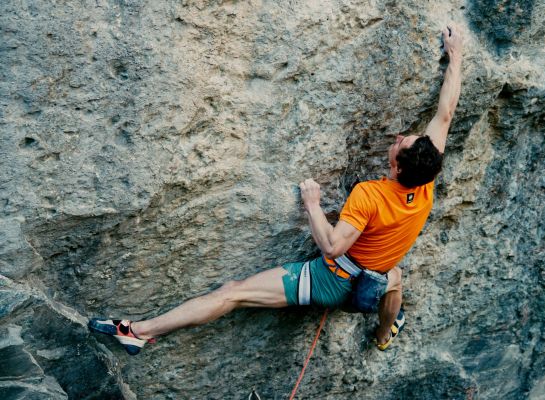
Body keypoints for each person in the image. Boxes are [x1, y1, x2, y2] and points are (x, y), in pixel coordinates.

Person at [89, 24, 463, 354]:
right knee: (395, 277)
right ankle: (384, 333)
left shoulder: (370, 195)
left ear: (396, 166)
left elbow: (333, 246)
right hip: (372, 284)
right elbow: (445, 112)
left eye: (400, 143)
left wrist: (313, 204)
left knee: (232, 293)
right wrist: (456, 56)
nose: (398, 138)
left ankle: (138, 331)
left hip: (329, 282)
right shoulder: (427, 176)